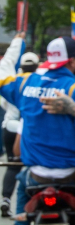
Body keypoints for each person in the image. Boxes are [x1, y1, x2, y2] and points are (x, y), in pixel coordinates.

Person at [0, 36, 75, 223]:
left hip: (36, 176)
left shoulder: (24, 83)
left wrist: (17, 42)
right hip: (72, 175)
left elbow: (2, 80)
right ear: (73, 61)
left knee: (21, 205)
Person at [0, 37, 26, 217]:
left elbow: (7, 62)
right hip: (28, 131)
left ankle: (6, 199)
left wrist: (17, 41)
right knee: (36, 169)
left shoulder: (12, 83)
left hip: (9, 128)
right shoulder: (38, 84)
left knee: (13, 165)